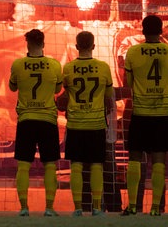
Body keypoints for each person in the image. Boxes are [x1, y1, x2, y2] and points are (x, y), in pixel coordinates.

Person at [121, 15, 168, 216]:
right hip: (163, 112)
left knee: (135, 157)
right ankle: (155, 209)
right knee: (159, 159)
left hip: (140, 112)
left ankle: (133, 206)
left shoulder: (133, 52)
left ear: (143, 30)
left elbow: (128, 84)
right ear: (161, 31)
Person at [9, 29, 62, 217]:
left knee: (23, 165)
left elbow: (12, 86)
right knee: (50, 165)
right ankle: (49, 208)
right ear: (44, 44)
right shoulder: (54, 65)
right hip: (47, 119)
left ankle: (24, 208)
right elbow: (58, 89)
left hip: (26, 120)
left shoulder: (18, 64)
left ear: (27, 44)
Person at [60, 31, 113, 216]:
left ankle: (78, 208)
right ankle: (97, 207)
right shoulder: (103, 67)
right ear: (93, 46)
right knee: (97, 164)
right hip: (97, 123)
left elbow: (65, 95)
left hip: (75, 123)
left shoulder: (68, 68)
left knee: (76, 165)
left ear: (76, 47)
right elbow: (108, 96)